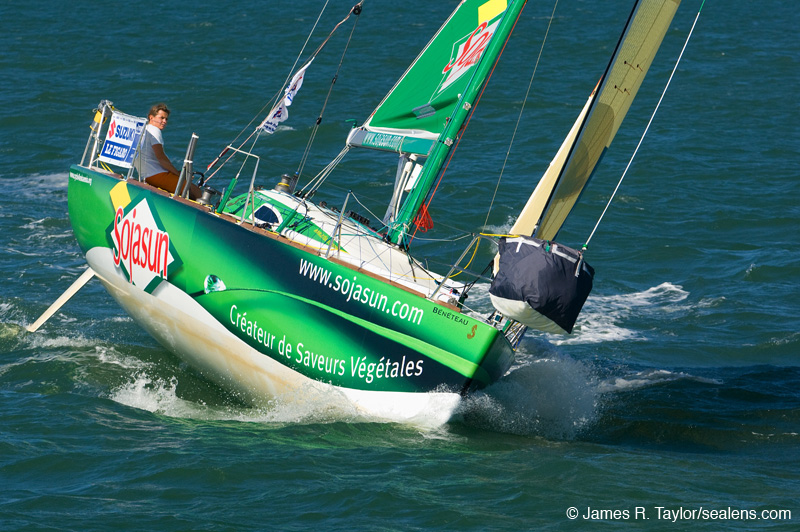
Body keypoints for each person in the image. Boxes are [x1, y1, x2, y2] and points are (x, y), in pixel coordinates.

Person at [139, 103, 200, 199]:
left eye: (166, 119)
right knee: (195, 191)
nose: (164, 121)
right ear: (151, 117)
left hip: (145, 176)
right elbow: (161, 158)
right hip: (156, 175)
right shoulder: (155, 130)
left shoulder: (142, 129)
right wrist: (178, 175)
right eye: (161, 118)